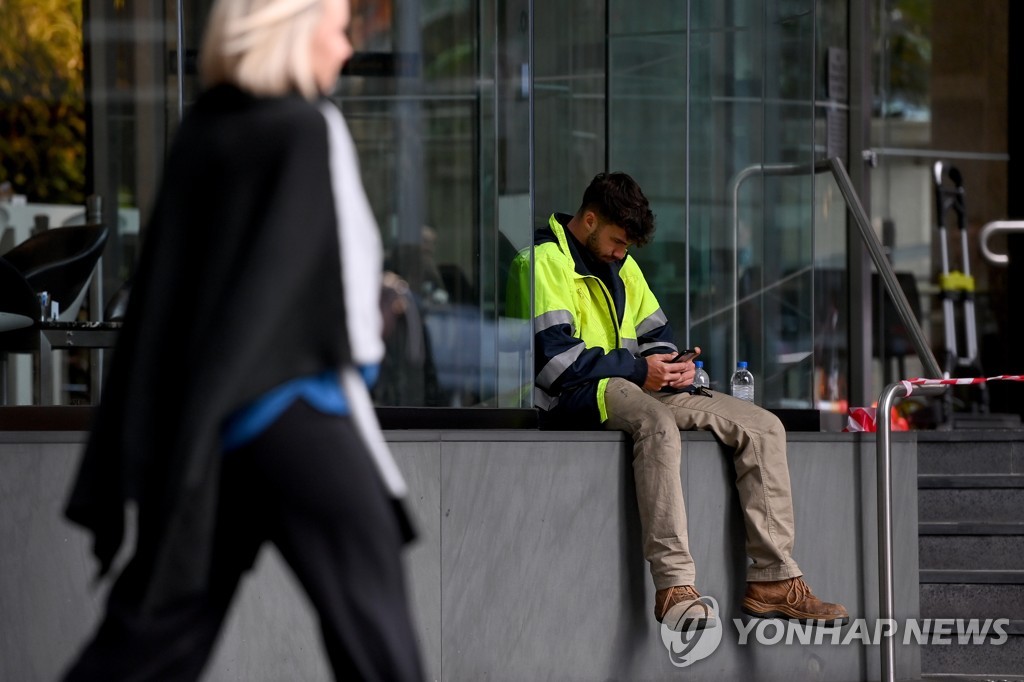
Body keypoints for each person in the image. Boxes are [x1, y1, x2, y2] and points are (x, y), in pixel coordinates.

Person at [60, 0, 423, 680]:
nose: (346, 52)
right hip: (298, 410)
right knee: (379, 639)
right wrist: (383, 316)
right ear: (294, 26)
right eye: (340, 31)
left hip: (212, 422)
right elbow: (341, 303)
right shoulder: (308, 127)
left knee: (153, 635)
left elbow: (174, 292)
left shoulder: (205, 129)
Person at [507, 171, 849, 632]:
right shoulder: (542, 261)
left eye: (627, 245)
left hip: (629, 386)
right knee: (657, 424)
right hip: (566, 399)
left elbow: (654, 338)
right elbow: (553, 365)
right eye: (616, 240)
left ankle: (773, 580)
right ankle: (675, 589)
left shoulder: (622, 265)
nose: (621, 253)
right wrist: (639, 369)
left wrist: (674, 365)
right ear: (588, 220)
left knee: (765, 426)